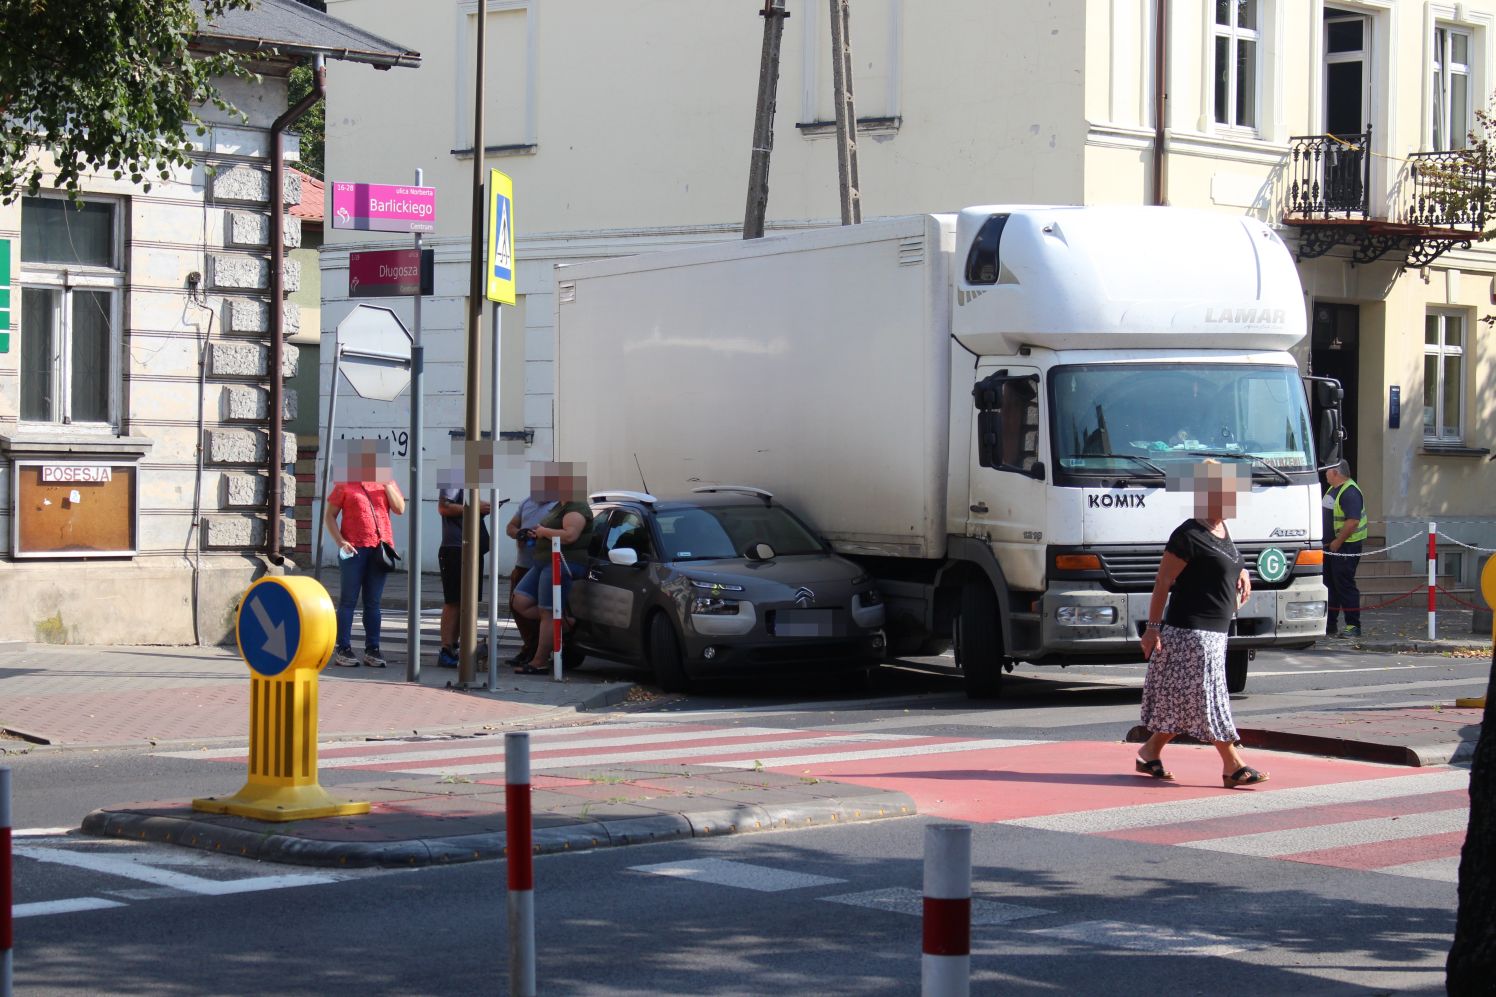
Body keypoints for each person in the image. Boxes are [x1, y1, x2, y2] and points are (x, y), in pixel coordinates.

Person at [1135, 460, 1269, 789]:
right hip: (1189, 632)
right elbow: (1162, 582)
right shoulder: (1188, 534)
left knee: (1186, 700)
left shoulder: (1221, 530)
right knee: (1208, 698)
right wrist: (1153, 628)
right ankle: (1233, 765)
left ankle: (1149, 751)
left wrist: (1242, 571)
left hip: (1216, 633)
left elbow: (1224, 561)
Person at [324, 441, 405, 668]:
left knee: (373, 602)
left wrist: (386, 483)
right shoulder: (345, 484)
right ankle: (344, 648)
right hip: (354, 549)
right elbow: (329, 516)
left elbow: (399, 508)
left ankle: (373, 649)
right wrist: (341, 541)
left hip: (379, 550)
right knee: (349, 600)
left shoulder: (385, 483)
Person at [510, 463, 594, 675]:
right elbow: (513, 526)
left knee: (547, 611)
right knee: (520, 601)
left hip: (561, 562)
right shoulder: (560, 506)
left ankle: (540, 661)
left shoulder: (576, 507)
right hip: (541, 562)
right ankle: (566, 622)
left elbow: (569, 535)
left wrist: (544, 531)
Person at [435, 486, 491, 668]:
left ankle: (456, 647)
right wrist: (475, 508)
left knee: (467, 601)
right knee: (454, 601)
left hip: (471, 547)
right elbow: (444, 507)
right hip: (455, 548)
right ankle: (446, 649)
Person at [504, 484, 558, 666]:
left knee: (543, 609)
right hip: (523, 564)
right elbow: (510, 527)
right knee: (516, 606)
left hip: (544, 565)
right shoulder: (527, 502)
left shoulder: (559, 505)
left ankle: (538, 649)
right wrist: (519, 533)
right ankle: (529, 646)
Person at [1323, 459, 1367, 638]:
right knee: (1330, 585)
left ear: (1335, 472)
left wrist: (1337, 542)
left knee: (1344, 586)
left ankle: (1353, 626)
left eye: (1327, 470)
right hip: (1331, 547)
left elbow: (1353, 521)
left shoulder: (1349, 492)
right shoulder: (1334, 489)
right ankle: (1330, 624)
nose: (1324, 473)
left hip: (1346, 547)